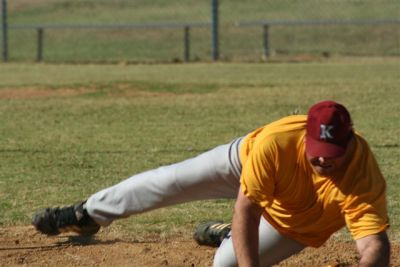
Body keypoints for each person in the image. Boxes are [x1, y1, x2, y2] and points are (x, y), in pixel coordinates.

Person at [32, 100, 391, 266]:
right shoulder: (275, 143)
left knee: (225, 264)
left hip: (294, 221)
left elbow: (373, 243)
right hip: (243, 162)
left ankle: (226, 237)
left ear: (350, 143)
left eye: (332, 152)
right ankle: (88, 214)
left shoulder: (362, 176)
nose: (324, 159)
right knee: (171, 181)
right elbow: (247, 209)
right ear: (305, 138)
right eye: (317, 150)